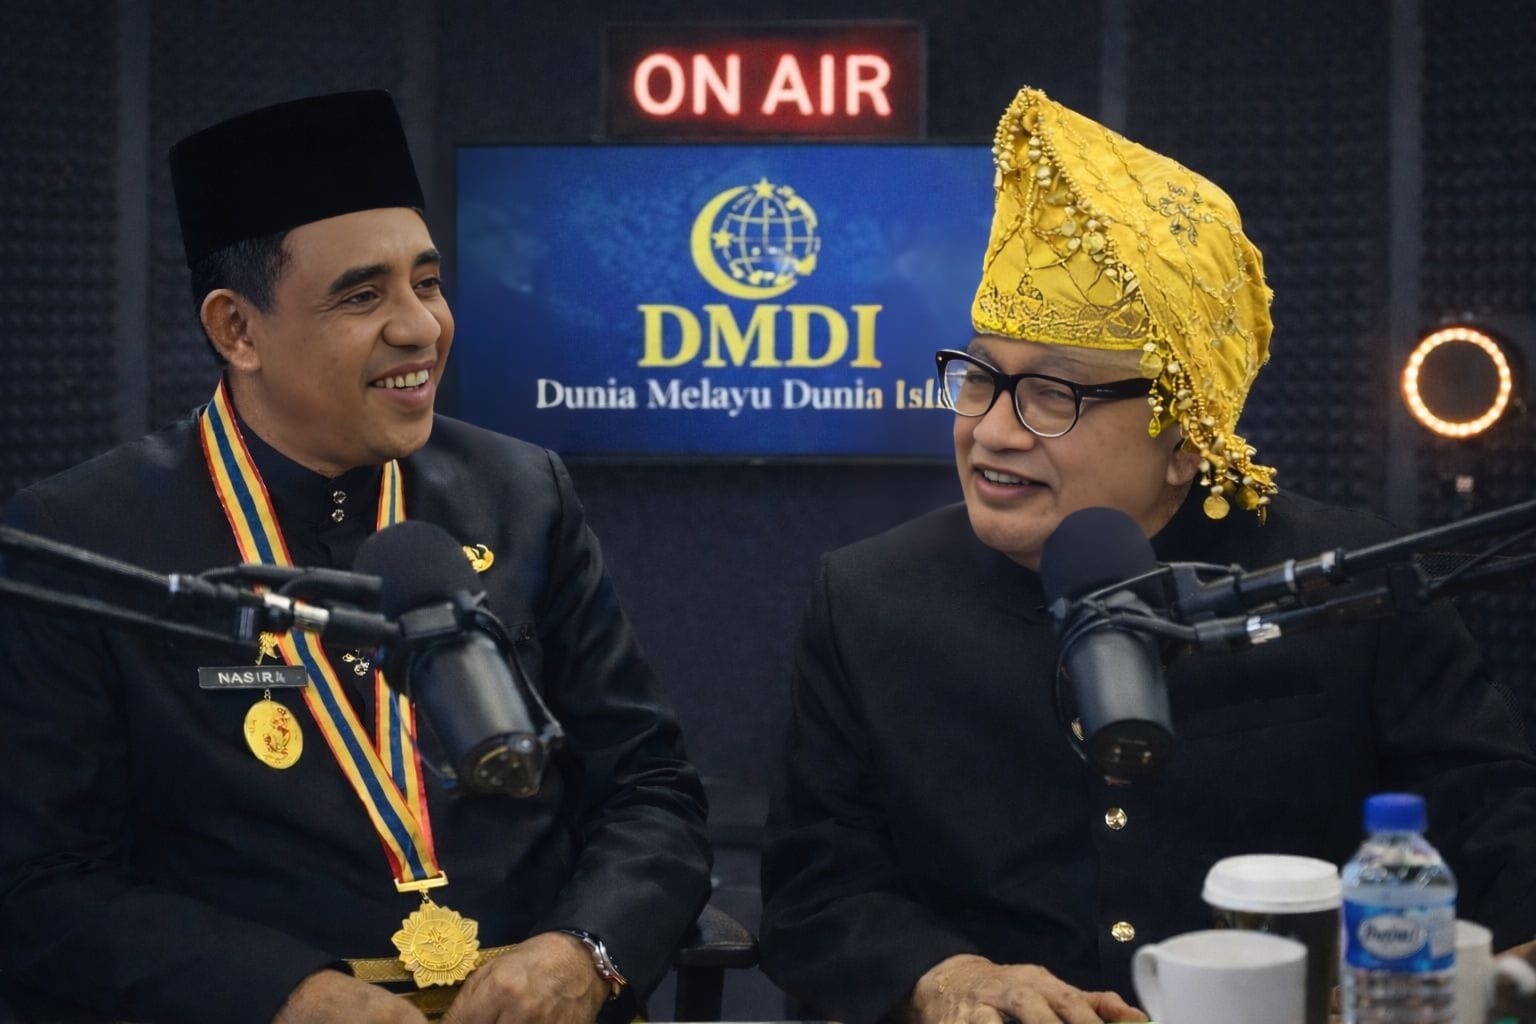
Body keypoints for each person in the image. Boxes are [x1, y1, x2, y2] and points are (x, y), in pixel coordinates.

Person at [758, 85, 1536, 1024]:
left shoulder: (1352, 582)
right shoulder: (870, 598)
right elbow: (816, 888)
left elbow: (1499, 835)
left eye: (1054, 395)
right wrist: (949, 980)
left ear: (1187, 440)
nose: (993, 430)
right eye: (979, 377)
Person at [0, 91, 710, 1024]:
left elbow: (651, 789)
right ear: (236, 330)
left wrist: (584, 951)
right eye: (362, 296)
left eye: (429, 281)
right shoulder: (82, 536)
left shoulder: (522, 492)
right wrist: (278, 994)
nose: (422, 327)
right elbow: (43, 882)